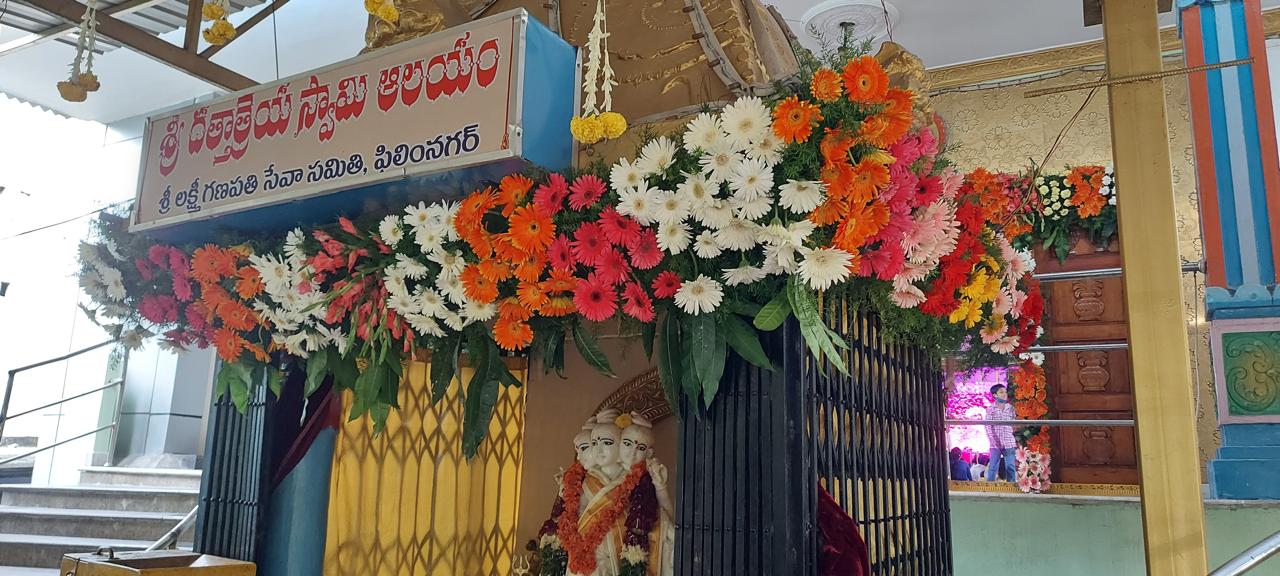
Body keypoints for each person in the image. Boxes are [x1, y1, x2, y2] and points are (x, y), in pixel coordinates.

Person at [985, 384, 1018, 482]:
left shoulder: (1011, 408)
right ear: (995, 395)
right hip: (995, 443)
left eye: (1005, 392)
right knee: (993, 467)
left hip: (1009, 442)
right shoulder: (990, 409)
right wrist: (993, 440)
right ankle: (989, 488)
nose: (1004, 394)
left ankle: (1012, 488)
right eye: (1001, 392)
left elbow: (1014, 423)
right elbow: (988, 427)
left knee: (1010, 467)